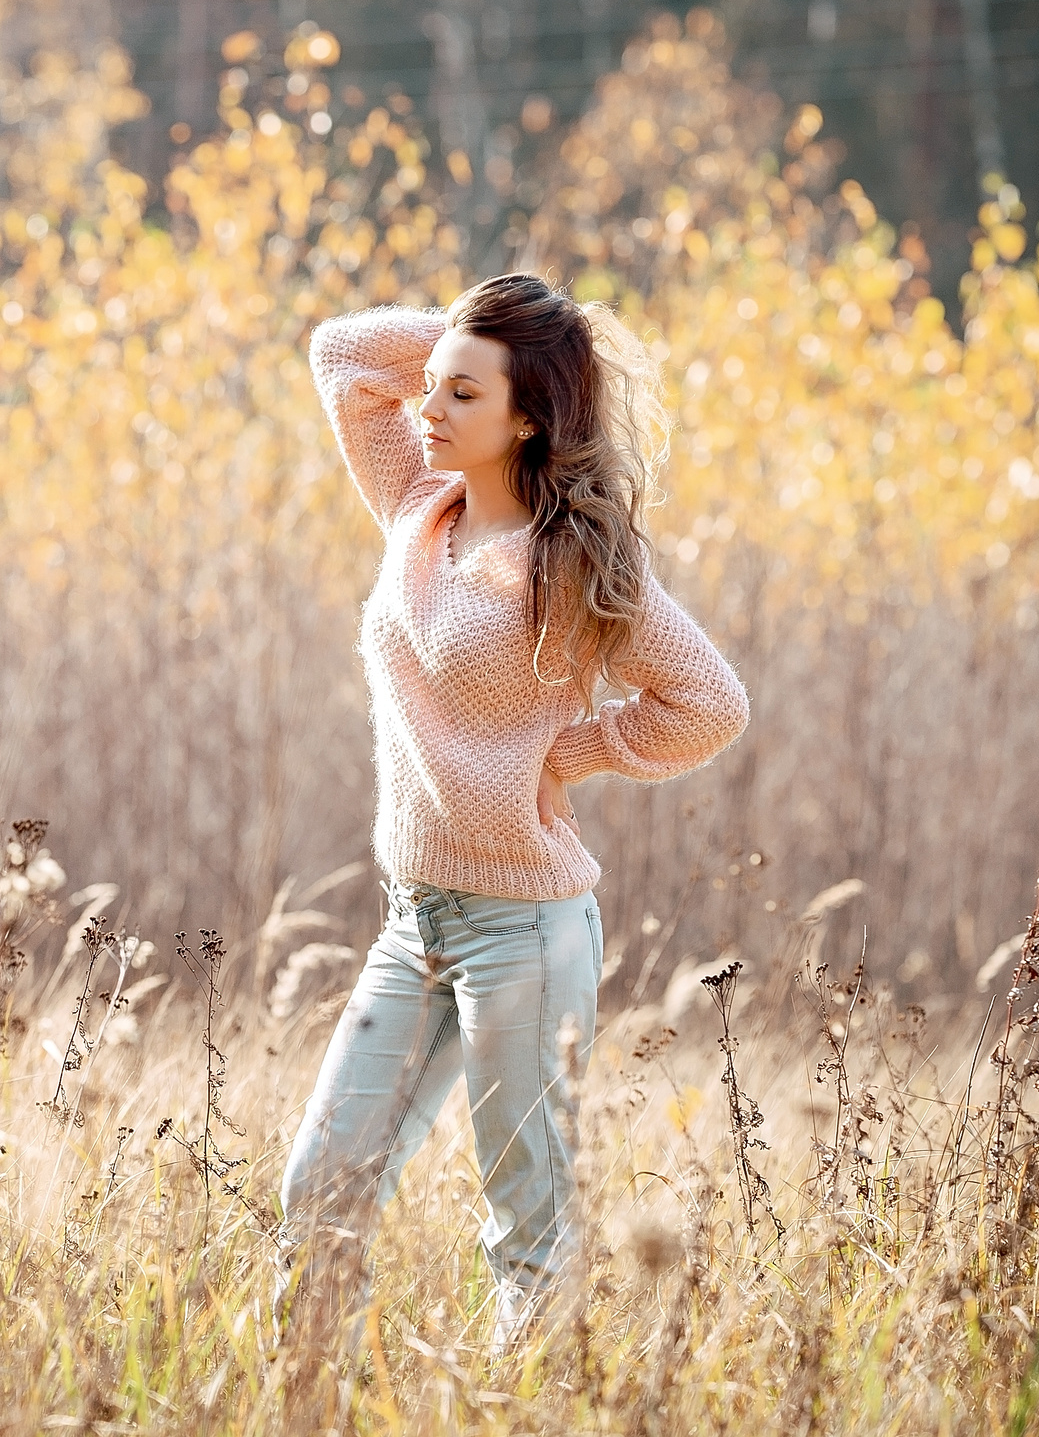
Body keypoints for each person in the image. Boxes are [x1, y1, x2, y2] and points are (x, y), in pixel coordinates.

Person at [278, 272, 751, 1354]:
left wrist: (569, 752)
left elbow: (708, 704)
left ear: (530, 416)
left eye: (463, 398)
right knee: (320, 1192)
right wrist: (467, 339)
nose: (429, 413)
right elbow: (344, 356)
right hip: (415, 923)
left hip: (523, 938)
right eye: (434, 389)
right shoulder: (416, 508)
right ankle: (300, 1404)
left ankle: (525, 1410)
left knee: (525, 1228)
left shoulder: (573, 558)